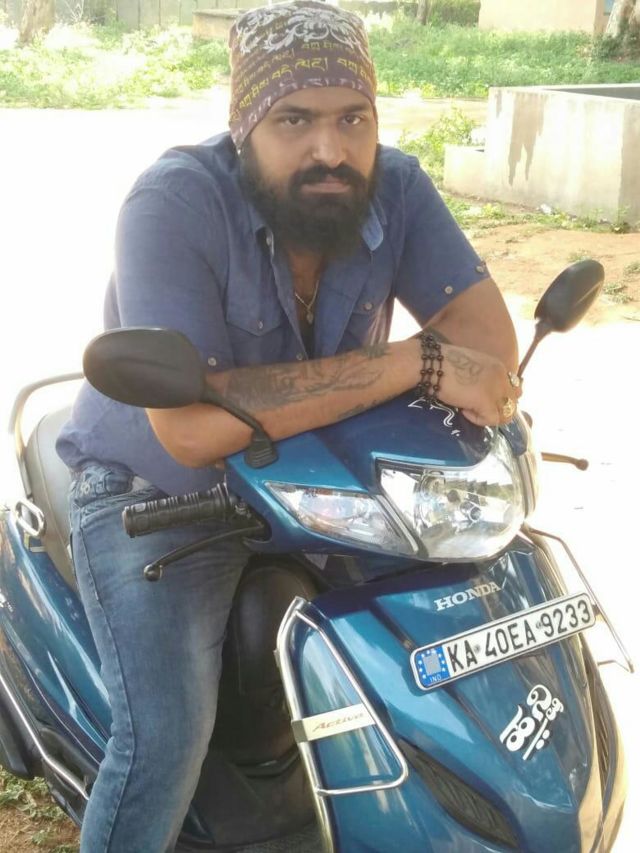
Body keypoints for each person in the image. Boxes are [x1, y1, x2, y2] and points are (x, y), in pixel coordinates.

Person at [56, 2, 522, 850]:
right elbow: (192, 429)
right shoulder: (173, 202)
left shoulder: (397, 188)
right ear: (245, 128)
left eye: (354, 119)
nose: (330, 150)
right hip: (158, 495)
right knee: (163, 738)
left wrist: (428, 367)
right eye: (294, 120)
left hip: (324, 487)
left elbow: (488, 350)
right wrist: (409, 363)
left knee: (446, 655)